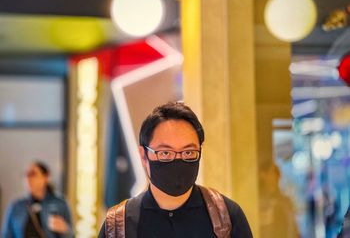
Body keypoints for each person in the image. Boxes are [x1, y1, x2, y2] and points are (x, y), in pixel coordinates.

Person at [98, 101, 253, 238]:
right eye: (165, 153)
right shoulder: (118, 226)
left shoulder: (226, 217)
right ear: (144, 156)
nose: (178, 161)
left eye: (188, 152)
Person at [1, 161, 74, 238]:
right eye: (26, 175)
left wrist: (64, 230)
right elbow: (7, 235)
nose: (28, 179)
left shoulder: (60, 204)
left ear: (46, 177)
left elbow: (71, 235)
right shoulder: (16, 206)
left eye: (33, 174)